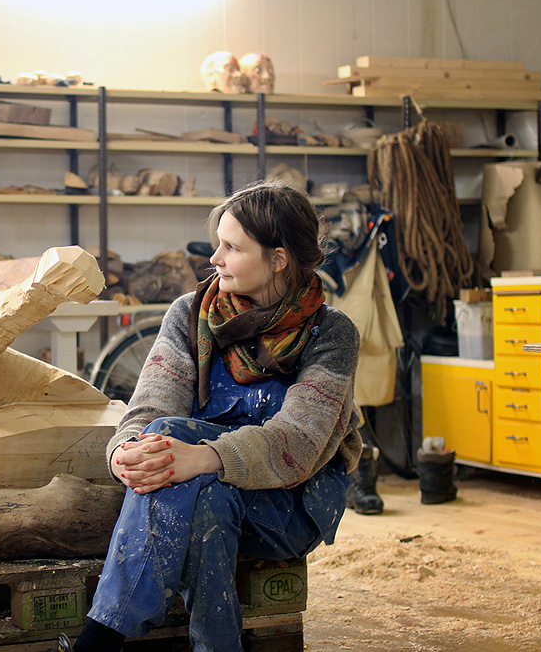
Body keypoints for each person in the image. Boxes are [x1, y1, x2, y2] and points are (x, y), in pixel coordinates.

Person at [54, 183, 363, 652]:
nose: (214, 258)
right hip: (203, 488)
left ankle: (102, 638)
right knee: (201, 494)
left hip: (289, 504)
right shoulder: (191, 313)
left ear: (279, 259)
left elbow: (298, 442)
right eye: (218, 243)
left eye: (232, 247)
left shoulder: (332, 334)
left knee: (176, 446)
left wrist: (203, 457)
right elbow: (150, 407)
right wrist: (125, 453)